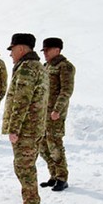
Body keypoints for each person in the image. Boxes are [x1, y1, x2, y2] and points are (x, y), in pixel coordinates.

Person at [2, 33, 49, 204]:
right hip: (34, 127)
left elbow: (22, 100)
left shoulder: (27, 69)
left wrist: (14, 128)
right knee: (27, 167)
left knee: (23, 168)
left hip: (26, 129)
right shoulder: (37, 66)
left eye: (12, 49)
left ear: (21, 48)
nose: (11, 54)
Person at [39, 37, 75, 191]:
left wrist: (57, 110)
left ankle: (62, 177)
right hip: (42, 113)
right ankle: (53, 175)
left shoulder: (65, 66)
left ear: (57, 50)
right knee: (42, 145)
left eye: (47, 50)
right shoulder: (45, 66)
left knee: (54, 144)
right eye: (44, 50)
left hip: (55, 114)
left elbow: (66, 91)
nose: (45, 53)